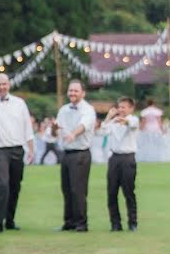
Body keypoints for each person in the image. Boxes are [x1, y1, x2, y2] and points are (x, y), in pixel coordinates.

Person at [0, 74, 35, 233]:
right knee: (2, 185)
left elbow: (27, 129)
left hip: (18, 149)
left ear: (9, 84)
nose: (2, 87)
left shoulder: (20, 103)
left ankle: (10, 220)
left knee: (15, 186)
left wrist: (31, 149)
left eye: (4, 84)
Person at [55, 79, 97, 232]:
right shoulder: (64, 109)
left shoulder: (88, 110)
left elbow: (84, 125)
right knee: (66, 188)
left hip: (81, 153)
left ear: (83, 93)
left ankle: (81, 223)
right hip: (67, 153)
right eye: (70, 90)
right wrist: (54, 130)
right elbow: (58, 127)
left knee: (78, 189)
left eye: (76, 91)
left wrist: (73, 134)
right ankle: (69, 221)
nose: (72, 93)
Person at [102, 97, 139, 232]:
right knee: (111, 192)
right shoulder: (113, 122)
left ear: (131, 108)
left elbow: (132, 124)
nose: (121, 109)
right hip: (114, 158)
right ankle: (115, 223)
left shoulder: (133, 119)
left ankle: (132, 222)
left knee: (128, 192)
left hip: (127, 158)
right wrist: (109, 117)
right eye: (119, 107)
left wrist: (123, 120)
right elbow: (103, 131)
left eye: (124, 107)